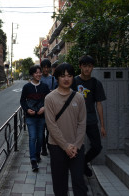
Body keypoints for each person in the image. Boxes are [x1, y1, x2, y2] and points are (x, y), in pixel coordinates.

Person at [44, 63, 87, 196]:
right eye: (63, 76)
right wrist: (65, 146)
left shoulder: (79, 98)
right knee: (59, 183)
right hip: (57, 147)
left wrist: (76, 145)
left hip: (77, 147)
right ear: (57, 78)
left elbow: (82, 123)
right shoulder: (49, 98)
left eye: (69, 75)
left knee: (79, 182)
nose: (66, 79)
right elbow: (51, 125)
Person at [71, 55, 107, 177]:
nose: (87, 69)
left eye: (90, 66)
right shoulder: (73, 81)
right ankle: (79, 169)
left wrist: (102, 125)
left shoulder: (96, 83)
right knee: (77, 147)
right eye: (84, 66)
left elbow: (99, 104)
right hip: (76, 120)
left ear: (92, 68)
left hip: (91, 119)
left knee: (97, 147)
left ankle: (83, 163)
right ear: (80, 66)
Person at [20, 65, 49, 171]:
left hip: (41, 117)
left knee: (40, 138)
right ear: (32, 74)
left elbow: (48, 100)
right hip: (30, 117)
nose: (39, 74)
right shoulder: (26, 87)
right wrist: (27, 109)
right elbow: (22, 101)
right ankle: (33, 160)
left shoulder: (44, 87)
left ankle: (37, 154)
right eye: (36, 73)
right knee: (33, 137)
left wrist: (44, 108)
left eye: (40, 72)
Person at [40, 59, 57, 156]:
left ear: (50, 68)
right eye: (44, 67)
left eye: (47, 67)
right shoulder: (39, 78)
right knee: (41, 130)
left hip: (51, 108)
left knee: (50, 129)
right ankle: (43, 149)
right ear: (41, 68)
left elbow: (57, 91)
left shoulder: (53, 79)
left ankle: (48, 144)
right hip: (41, 107)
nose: (46, 69)